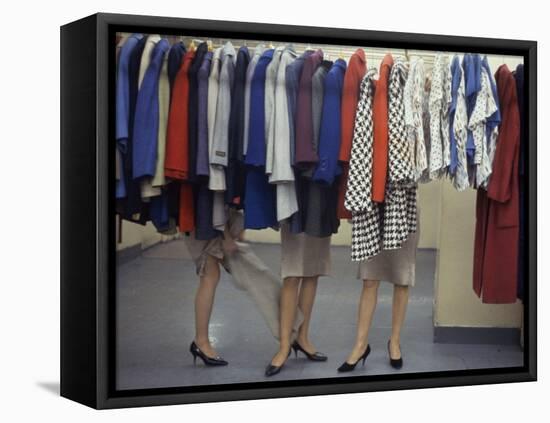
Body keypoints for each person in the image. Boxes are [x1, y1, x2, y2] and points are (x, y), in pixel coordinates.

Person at [338, 219, 420, 372]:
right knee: (369, 278)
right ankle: (360, 345)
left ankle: (395, 342)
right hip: (374, 209)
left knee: (401, 278)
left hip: (405, 207)